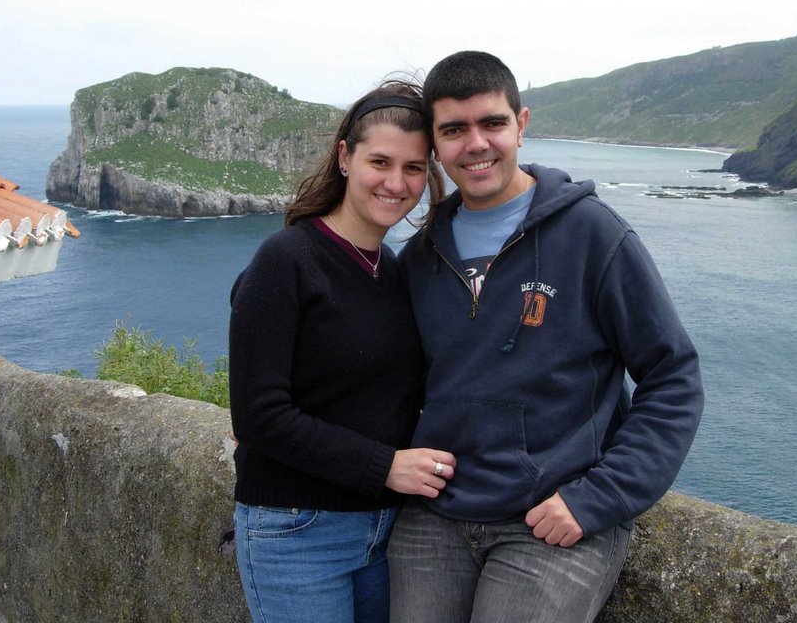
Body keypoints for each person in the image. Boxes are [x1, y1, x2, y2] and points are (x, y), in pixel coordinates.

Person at [389, 51, 704, 623]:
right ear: (435, 146)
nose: (476, 144)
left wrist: (600, 498)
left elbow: (673, 377)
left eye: (493, 124)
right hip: (436, 515)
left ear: (522, 124)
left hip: (554, 515)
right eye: (454, 130)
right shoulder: (422, 255)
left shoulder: (593, 236)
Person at [228, 80, 456, 623]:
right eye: (381, 161)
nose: (397, 183)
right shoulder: (286, 260)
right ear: (345, 158)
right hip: (297, 530)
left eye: (414, 168)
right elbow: (258, 416)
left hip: (383, 532)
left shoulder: (394, 270)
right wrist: (385, 467)